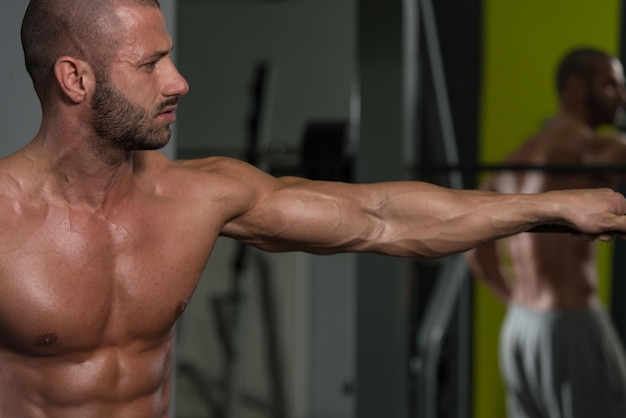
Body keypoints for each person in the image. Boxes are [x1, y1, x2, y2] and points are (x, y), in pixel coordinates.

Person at [4, 2, 626, 417]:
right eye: (150, 64)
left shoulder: (198, 196)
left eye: (168, 56)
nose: (178, 82)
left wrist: (554, 206)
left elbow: (383, 217)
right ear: (74, 79)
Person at [466, 47, 626, 418]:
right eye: (611, 86)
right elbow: (610, 155)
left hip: (520, 328)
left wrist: (517, 300)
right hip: (569, 326)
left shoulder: (516, 160)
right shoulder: (581, 148)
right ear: (574, 86)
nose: (621, 97)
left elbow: (477, 253)